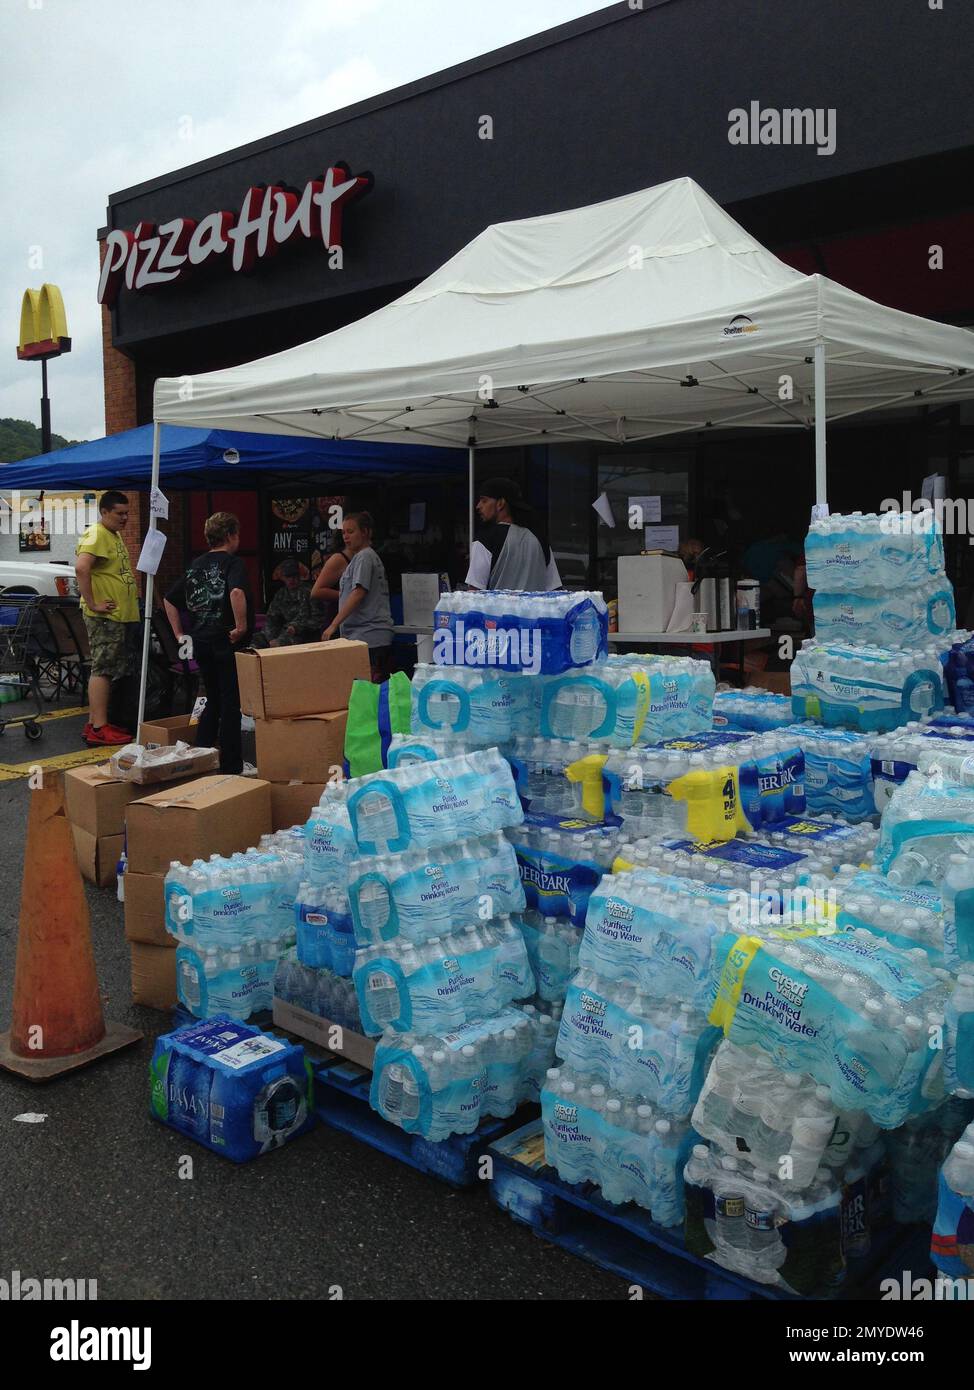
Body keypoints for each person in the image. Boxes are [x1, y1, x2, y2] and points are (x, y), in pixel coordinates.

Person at [163, 512, 252, 775]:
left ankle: (201, 755)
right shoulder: (233, 564)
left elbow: (169, 600)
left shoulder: (195, 565)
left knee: (212, 698)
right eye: (237, 534)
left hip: (200, 642)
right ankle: (231, 765)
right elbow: (236, 592)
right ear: (230, 536)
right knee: (230, 703)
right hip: (225, 642)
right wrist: (241, 627)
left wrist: (180, 634)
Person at [75, 489, 140, 747]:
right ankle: (99, 728)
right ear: (104, 512)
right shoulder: (97, 533)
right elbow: (81, 567)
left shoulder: (112, 535)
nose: (125, 519)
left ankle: (96, 722)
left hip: (117, 616)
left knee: (109, 668)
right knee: (102, 668)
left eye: (127, 514)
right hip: (105, 617)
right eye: (119, 514)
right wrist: (92, 602)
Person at [321, 511, 393, 681]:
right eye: (344, 532)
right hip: (362, 636)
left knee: (366, 692)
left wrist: (334, 624)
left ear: (366, 532)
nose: (346, 537)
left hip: (369, 636)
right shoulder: (360, 558)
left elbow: (359, 592)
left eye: (351, 532)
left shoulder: (365, 557)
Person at [465, 476, 561, 591]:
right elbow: (554, 589)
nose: (478, 506)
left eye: (484, 500)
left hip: (496, 609)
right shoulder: (540, 540)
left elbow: (474, 592)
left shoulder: (484, 540)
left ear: (500, 503)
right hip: (534, 609)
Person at [252, 557, 323, 647]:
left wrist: (297, 627)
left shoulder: (310, 592)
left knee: (280, 643)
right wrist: (270, 637)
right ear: (283, 577)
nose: (291, 580)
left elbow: (318, 620)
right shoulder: (281, 594)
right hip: (283, 632)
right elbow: (272, 619)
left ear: (299, 575)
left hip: (304, 635)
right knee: (256, 640)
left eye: (294, 576)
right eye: (288, 577)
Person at [310, 530, 352, 632]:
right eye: (348, 532)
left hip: (354, 620)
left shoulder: (362, 557)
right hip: (336, 620)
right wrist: (349, 596)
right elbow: (316, 592)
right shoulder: (339, 559)